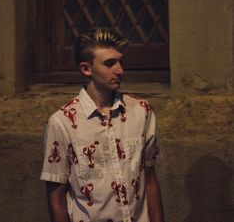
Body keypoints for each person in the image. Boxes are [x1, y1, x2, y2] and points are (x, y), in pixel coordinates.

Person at [40, 27, 165, 222]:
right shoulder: (62, 122)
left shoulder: (142, 112)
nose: (120, 70)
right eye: (109, 63)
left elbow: (149, 177)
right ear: (86, 69)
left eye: (121, 62)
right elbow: (56, 197)